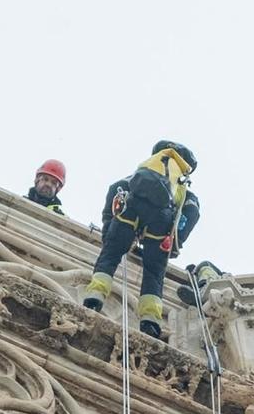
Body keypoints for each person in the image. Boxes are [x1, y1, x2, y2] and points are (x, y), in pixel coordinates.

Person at [83, 140, 200, 339]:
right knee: (154, 272)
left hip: (129, 212)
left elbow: (115, 190)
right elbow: (191, 213)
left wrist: (109, 231)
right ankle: (150, 320)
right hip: (161, 225)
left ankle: (94, 295)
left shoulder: (144, 170)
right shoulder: (181, 185)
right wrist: (173, 243)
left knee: (110, 254)